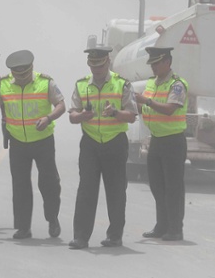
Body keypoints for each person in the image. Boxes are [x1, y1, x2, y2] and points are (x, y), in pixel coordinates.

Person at [0, 50, 65, 239]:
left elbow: (61, 105)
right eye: (17, 75)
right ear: (12, 73)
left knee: (49, 183)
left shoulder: (46, 83)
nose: (21, 78)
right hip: (18, 142)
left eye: (25, 74)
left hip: (43, 140)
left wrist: (48, 117)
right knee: (20, 185)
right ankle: (23, 227)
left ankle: (52, 218)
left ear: (32, 69)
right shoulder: (3, 84)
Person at [68, 47, 137, 249]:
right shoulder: (81, 85)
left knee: (116, 190)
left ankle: (114, 235)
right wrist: (82, 116)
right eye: (92, 65)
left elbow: (132, 116)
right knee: (86, 189)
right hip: (90, 143)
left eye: (100, 65)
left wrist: (115, 112)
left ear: (108, 62)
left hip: (114, 142)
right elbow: (72, 116)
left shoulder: (122, 84)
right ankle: (80, 237)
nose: (96, 70)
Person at [134, 47, 188, 241]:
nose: (154, 67)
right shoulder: (151, 83)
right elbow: (143, 107)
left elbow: (169, 109)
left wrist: (146, 101)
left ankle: (175, 228)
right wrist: (129, 104)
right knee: (157, 185)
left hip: (173, 141)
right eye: (152, 64)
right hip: (156, 139)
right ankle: (161, 225)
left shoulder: (177, 85)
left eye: (157, 63)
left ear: (167, 62)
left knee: (173, 187)